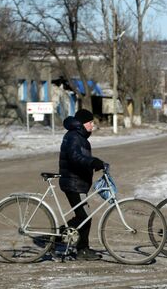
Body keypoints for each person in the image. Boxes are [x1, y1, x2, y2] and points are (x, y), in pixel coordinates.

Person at [58, 109, 107, 260]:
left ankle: (68, 238)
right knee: (84, 216)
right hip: (73, 182)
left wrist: (94, 163)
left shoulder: (79, 136)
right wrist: (93, 162)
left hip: (77, 182)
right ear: (83, 123)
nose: (93, 125)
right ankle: (78, 247)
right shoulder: (74, 136)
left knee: (84, 216)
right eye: (90, 122)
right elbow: (75, 157)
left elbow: (79, 157)